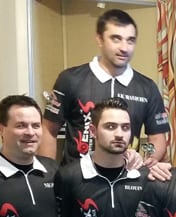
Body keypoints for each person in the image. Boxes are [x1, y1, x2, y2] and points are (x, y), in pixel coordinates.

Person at [41, 9, 169, 167]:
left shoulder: (147, 88)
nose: (124, 48)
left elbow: (157, 138)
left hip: (126, 176)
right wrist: (49, 175)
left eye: (130, 40)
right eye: (116, 39)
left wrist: (146, 160)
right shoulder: (70, 79)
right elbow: (48, 130)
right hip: (76, 176)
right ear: (100, 39)